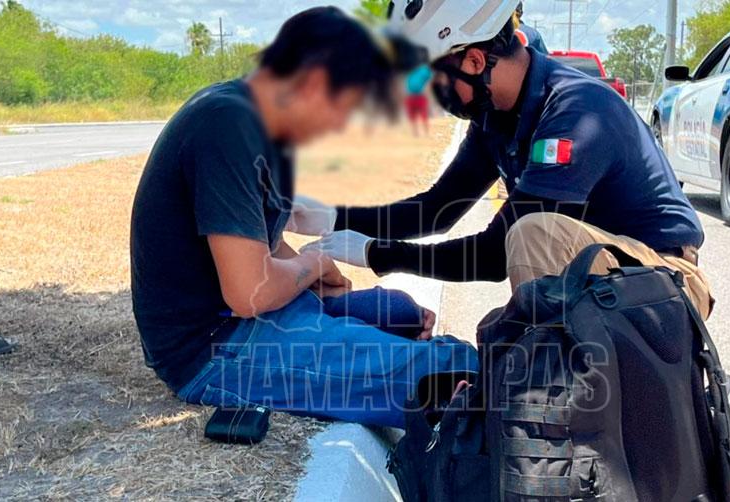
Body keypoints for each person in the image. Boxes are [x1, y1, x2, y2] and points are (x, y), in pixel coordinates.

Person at [297, 0, 730, 463]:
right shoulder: (495, 117)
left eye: (431, 77)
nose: (428, 94)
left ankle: (667, 427)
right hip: (609, 285)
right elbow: (438, 209)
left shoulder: (577, 111)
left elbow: (495, 253)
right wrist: (335, 218)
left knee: (532, 237)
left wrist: (380, 255)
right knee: (510, 330)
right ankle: (582, 421)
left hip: (665, 287)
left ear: (473, 60)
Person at [129, 7, 476, 429]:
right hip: (215, 347)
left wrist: (313, 277)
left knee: (400, 312)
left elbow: (261, 242)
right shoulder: (229, 126)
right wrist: (314, 264)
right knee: (454, 367)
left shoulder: (257, 120)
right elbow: (250, 291)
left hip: (249, 318)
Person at [404, 64, 432, 136]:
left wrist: (427, 91)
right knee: (413, 116)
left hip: (419, 96)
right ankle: (416, 132)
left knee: (423, 115)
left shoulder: (425, 70)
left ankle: (425, 132)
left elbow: (430, 81)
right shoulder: (410, 70)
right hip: (411, 96)